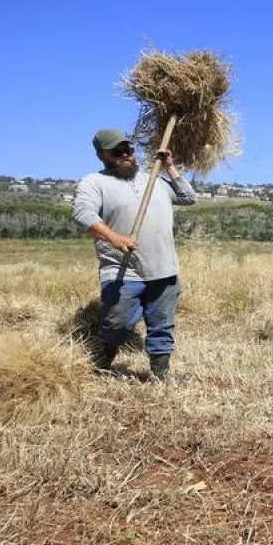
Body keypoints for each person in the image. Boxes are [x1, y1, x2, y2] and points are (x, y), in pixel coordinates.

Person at [71, 128, 196, 380]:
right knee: (118, 324)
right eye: (117, 152)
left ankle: (160, 374)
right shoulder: (94, 183)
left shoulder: (154, 180)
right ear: (102, 155)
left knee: (162, 325)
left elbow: (188, 197)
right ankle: (101, 364)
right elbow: (82, 214)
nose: (126, 154)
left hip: (163, 268)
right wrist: (114, 238)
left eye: (129, 149)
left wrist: (170, 167)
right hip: (122, 269)